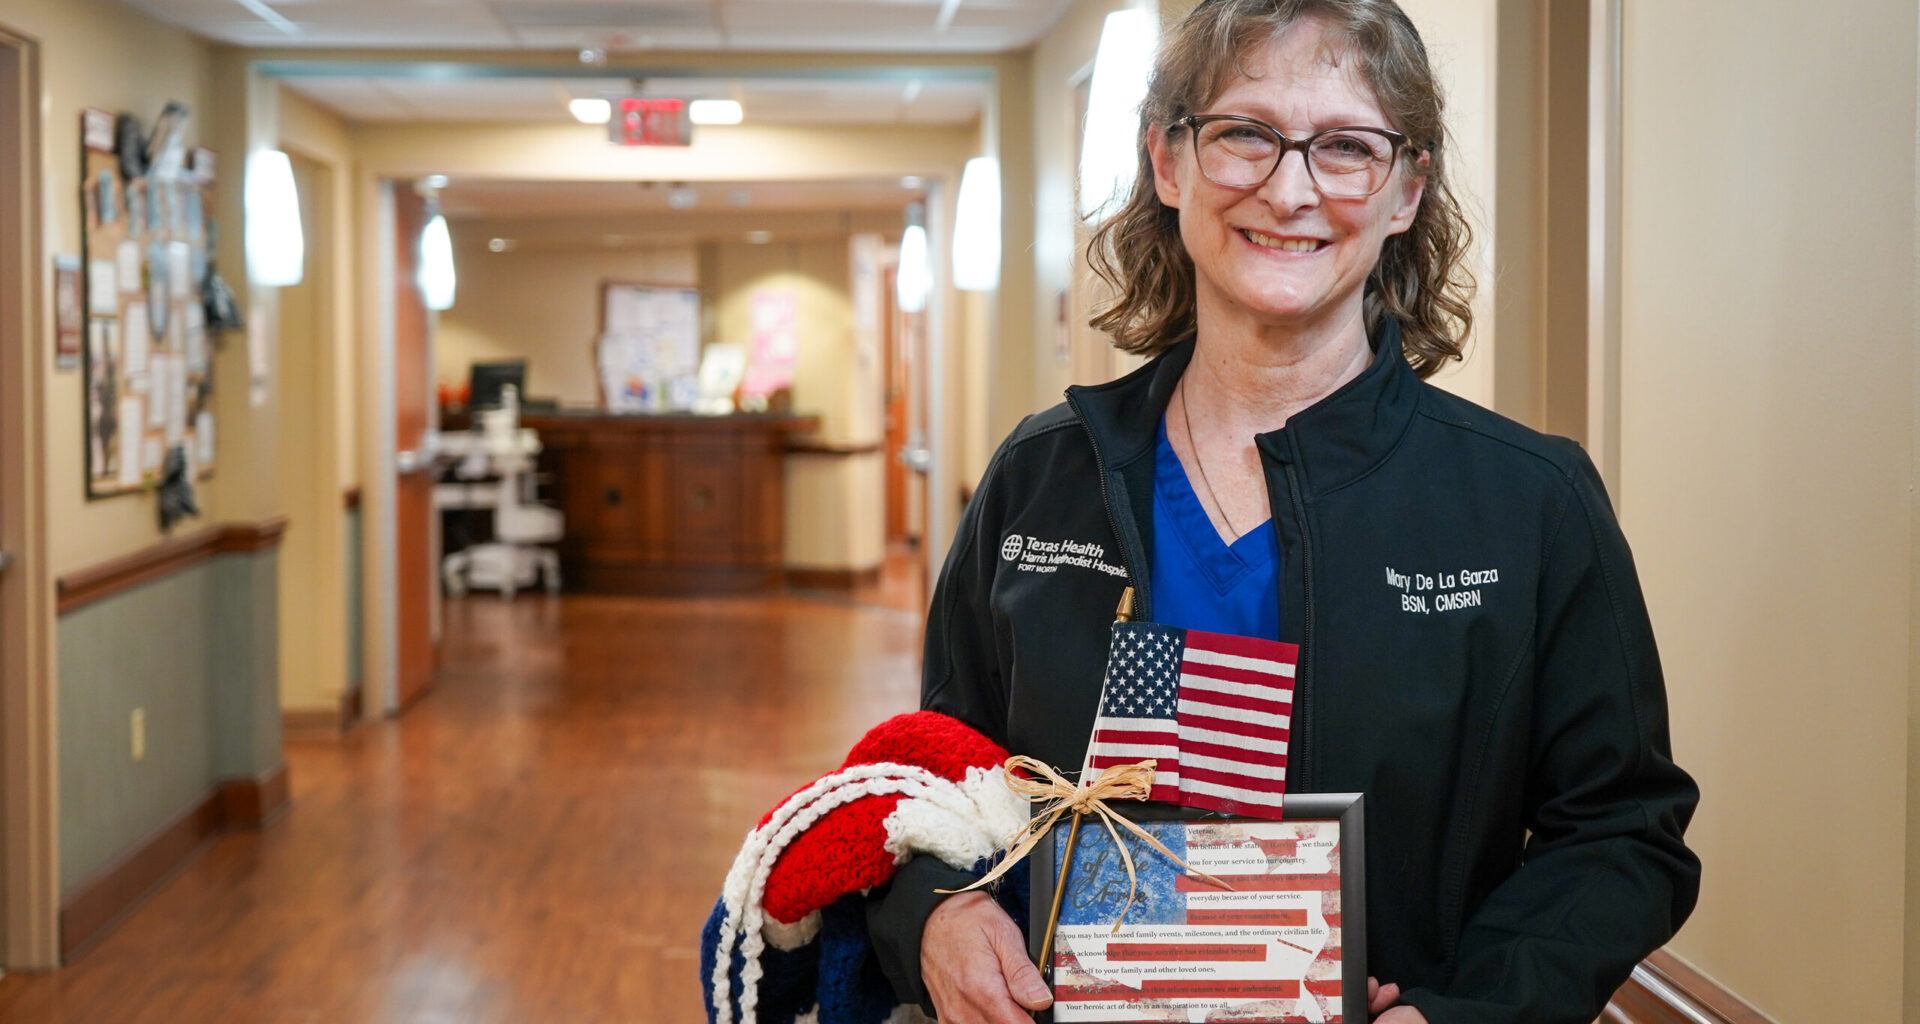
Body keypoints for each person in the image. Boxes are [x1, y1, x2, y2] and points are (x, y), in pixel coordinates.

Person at [865, 1, 1701, 1023]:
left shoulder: (1530, 503)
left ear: (1407, 191)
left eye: (1347, 147)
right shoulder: (1043, 479)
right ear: (1169, 163)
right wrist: (937, 914)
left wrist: (1466, 1012)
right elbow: (928, 776)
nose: (1290, 189)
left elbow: (1621, 833)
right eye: (1245, 134)